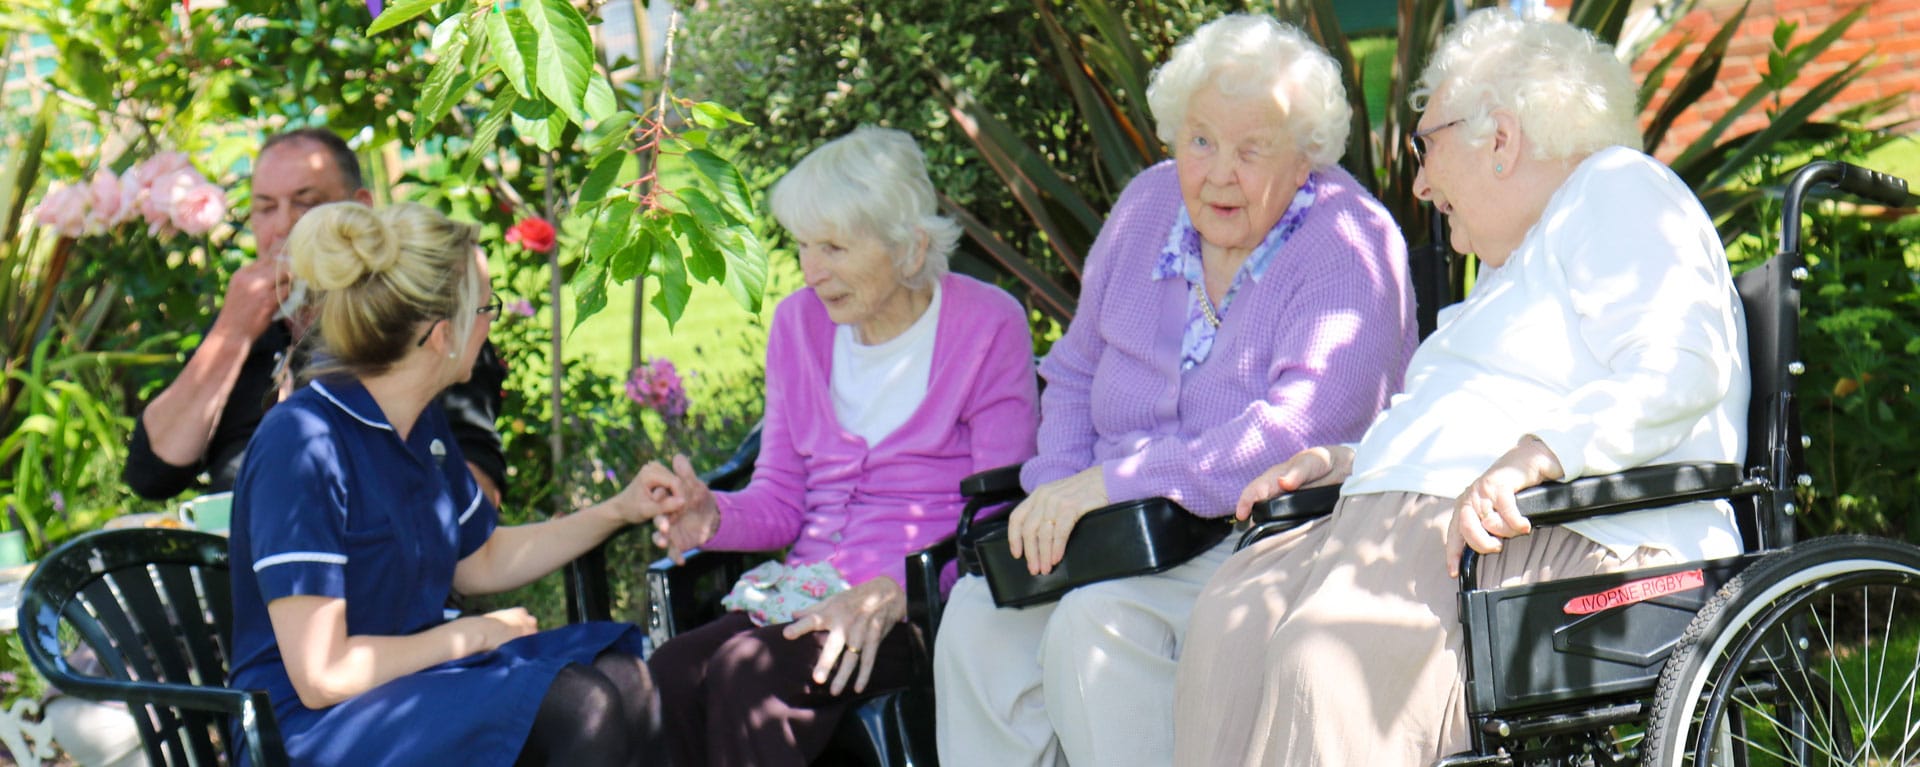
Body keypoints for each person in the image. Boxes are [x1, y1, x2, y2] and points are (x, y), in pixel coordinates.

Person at [1170, 10, 1750, 765]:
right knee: (1231, 623)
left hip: (1577, 541)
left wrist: (1537, 455)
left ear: (1500, 138)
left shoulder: (1616, 189)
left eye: (1427, 144)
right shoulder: (1519, 263)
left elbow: (1680, 363)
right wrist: (1355, 460)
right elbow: (1478, 409)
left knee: (1329, 661)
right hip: (1435, 530)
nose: (1419, 179)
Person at [933, 14, 1417, 767]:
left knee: (1097, 626)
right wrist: (1058, 496)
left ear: (1305, 159)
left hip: (1258, 535)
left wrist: (1110, 482)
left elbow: (1297, 430)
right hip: (1114, 529)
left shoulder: (1347, 243)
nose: (1219, 172)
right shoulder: (1147, 207)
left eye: (1252, 149)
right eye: (1200, 141)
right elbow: (1074, 372)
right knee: (976, 617)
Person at [640, 126, 1041, 767]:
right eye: (802, 246)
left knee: (749, 675)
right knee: (667, 675)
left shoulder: (987, 324)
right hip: (805, 594)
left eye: (833, 247)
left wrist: (894, 591)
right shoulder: (798, 325)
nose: (812, 271)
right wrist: (712, 515)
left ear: (908, 248)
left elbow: (996, 516)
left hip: (915, 609)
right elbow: (780, 497)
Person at [226, 201, 660, 767]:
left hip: (414, 682)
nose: (491, 326)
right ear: (438, 335)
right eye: (487, 308)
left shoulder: (418, 422)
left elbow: (478, 558)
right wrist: (474, 636)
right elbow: (321, 674)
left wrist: (619, 510)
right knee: (583, 708)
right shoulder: (303, 443)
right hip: (314, 727)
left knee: (627, 681)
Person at [123, 128, 509, 507]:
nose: (283, 226)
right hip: (231, 555)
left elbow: (477, 493)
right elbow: (153, 474)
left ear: (359, 208)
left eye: (306, 204)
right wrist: (232, 333)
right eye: (266, 207)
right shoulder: (244, 323)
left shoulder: (412, 323)